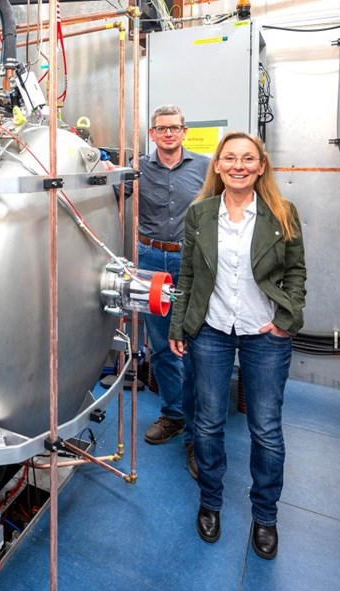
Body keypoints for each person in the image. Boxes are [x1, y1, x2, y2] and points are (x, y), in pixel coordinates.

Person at [168, 132, 306, 560]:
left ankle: (265, 516)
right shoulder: (201, 214)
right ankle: (211, 503)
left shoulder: (282, 213)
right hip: (210, 329)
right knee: (207, 423)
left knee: (265, 429)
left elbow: (297, 273)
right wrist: (179, 325)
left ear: (261, 166)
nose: (239, 165)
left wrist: (286, 321)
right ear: (218, 165)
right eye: (230, 158)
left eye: (248, 159)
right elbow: (188, 276)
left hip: (264, 332)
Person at [132, 105, 209, 479]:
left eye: (174, 128)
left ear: (184, 131)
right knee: (161, 344)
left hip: (189, 261)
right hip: (149, 259)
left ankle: (196, 434)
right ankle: (173, 415)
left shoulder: (205, 167)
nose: (167, 134)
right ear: (152, 133)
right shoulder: (138, 168)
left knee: (193, 343)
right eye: (161, 129)